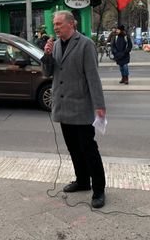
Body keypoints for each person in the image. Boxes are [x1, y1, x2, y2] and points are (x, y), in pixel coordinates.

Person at [41, 11, 107, 209]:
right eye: (54, 24)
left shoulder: (85, 44)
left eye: (59, 23)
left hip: (81, 106)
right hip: (63, 106)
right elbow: (47, 72)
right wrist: (47, 55)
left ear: (71, 24)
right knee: (73, 148)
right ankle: (82, 181)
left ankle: (99, 189)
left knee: (89, 149)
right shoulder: (56, 44)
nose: (56, 27)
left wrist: (99, 106)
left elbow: (93, 77)